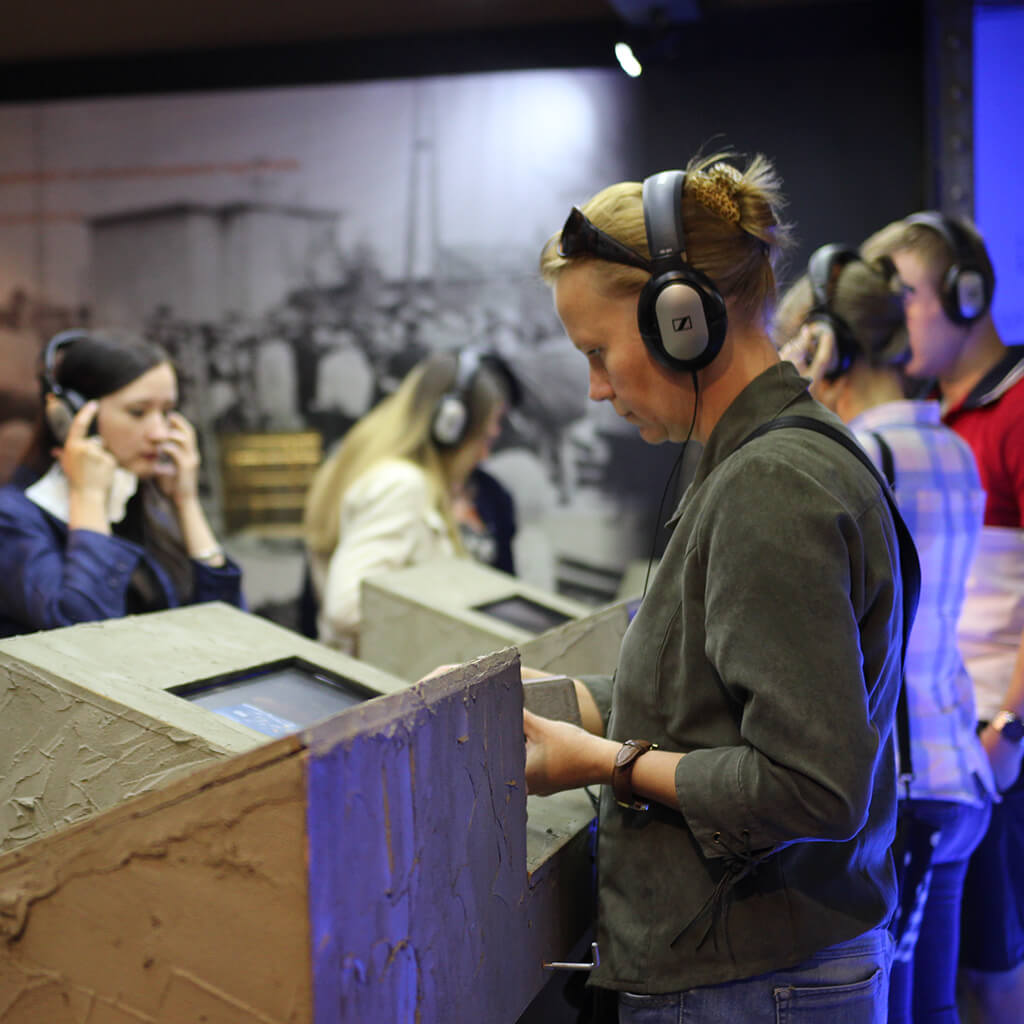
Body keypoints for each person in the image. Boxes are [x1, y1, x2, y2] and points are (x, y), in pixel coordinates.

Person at [523, 153, 911, 1022]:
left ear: (682, 322)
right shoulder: (762, 463)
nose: (595, 388)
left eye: (598, 352)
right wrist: (556, 704)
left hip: (755, 987)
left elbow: (813, 787)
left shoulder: (771, 483)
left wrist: (609, 765)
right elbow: (713, 704)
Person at [775, 244, 996, 1023]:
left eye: (796, 347)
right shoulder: (954, 448)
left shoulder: (860, 457)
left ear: (824, 346)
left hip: (902, 790)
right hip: (957, 772)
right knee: (933, 1009)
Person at [862, 212, 1024, 1024]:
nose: (892, 319)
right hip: (950, 742)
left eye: (906, 297)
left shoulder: (1018, 408)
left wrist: (1011, 728)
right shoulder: (926, 417)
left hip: (995, 744)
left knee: (995, 975)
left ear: (968, 295)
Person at [0, 329, 244, 638]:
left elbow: (231, 632)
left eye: (167, 411)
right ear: (72, 415)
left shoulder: (136, 500)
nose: (160, 433)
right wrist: (88, 496)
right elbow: (84, 636)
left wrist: (187, 503)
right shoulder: (12, 519)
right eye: (138, 412)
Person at [303, 348, 508, 654]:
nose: (484, 455)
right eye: (484, 439)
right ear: (449, 427)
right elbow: (347, 607)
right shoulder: (402, 485)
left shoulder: (375, 463)